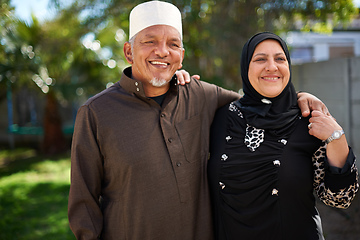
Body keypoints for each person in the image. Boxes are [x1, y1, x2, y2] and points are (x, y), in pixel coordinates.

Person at [68, 1, 331, 239]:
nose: (162, 52)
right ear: (128, 51)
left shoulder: (202, 95)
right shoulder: (96, 113)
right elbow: (84, 206)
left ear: (181, 55)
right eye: (150, 41)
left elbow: (258, 97)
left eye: (172, 44)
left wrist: (301, 97)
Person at [208, 32, 359, 240]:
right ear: (245, 67)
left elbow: (339, 199)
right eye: (260, 59)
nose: (272, 66)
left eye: (280, 59)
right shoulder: (221, 118)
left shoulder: (308, 119)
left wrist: (337, 138)